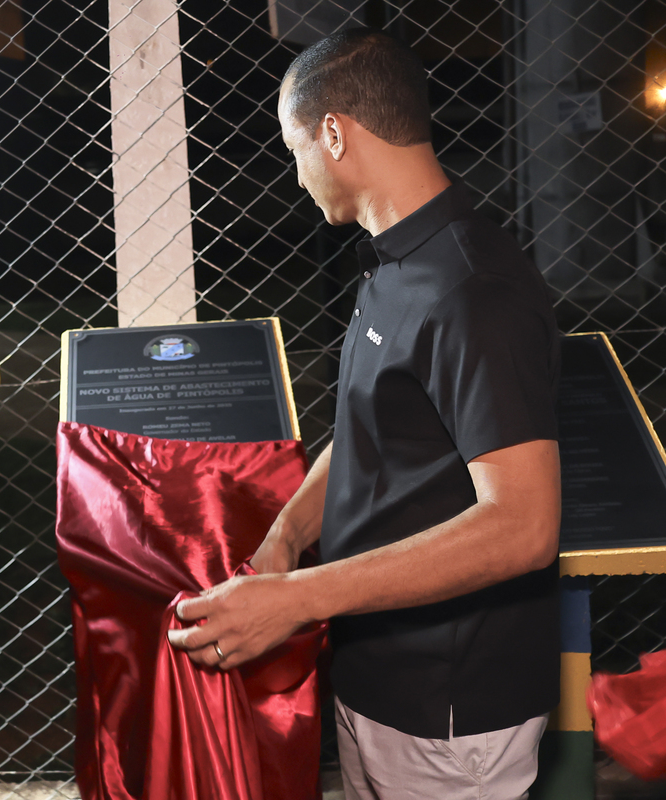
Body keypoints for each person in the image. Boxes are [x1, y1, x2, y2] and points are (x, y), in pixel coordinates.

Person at [167, 28, 562, 799]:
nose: (296, 173)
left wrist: (298, 599)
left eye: (296, 148)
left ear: (335, 133)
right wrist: (286, 539)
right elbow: (368, 433)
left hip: (448, 708)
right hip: (377, 673)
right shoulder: (397, 260)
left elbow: (524, 526)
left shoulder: (473, 291)